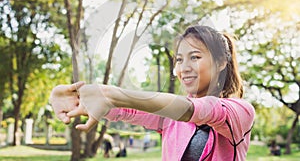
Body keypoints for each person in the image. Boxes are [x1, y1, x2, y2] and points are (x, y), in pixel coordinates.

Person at [50, 25, 255, 161]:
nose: (184, 68)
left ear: (220, 63)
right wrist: (81, 99)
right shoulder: (170, 119)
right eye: (180, 60)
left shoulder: (239, 112)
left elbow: (198, 110)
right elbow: (127, 110)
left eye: (194, 57)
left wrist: (110, 94)